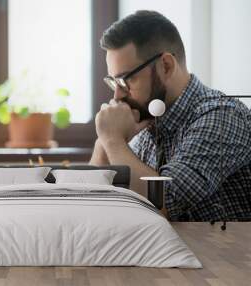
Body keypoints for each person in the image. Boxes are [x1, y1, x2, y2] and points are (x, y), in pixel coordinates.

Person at [90, 10, 251, 221]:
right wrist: (104, 142)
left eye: (126, 80)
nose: (117, 94)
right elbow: (92, 205)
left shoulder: (222, 116)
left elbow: (163, 202)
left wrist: (112, 140)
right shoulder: (146, 126)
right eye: (114, 82)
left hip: (221, 254)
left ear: (166, 66)